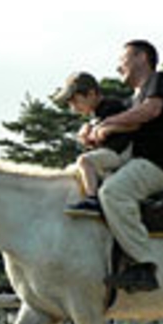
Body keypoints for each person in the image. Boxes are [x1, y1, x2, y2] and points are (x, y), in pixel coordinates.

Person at [93, 40, 163, 293]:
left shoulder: (158, 81)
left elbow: (150, 111)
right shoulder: (132, 100)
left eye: (122, 59)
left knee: (113, 192)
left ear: (141, 57)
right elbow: (118, 119)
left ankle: (144, 267)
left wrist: (106, 124)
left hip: (156, 165)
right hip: (137, 164)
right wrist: (92, 129)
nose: (118, 66)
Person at [51, 72, 132, 216]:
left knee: (84, 161)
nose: (73, 108)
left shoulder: (111, 106)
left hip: (121, 154)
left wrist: (91, 130)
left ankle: (92, 198)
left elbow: (113, 128)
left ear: (91, 94)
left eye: (75, 101)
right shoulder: (96, 114)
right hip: (112, 153)